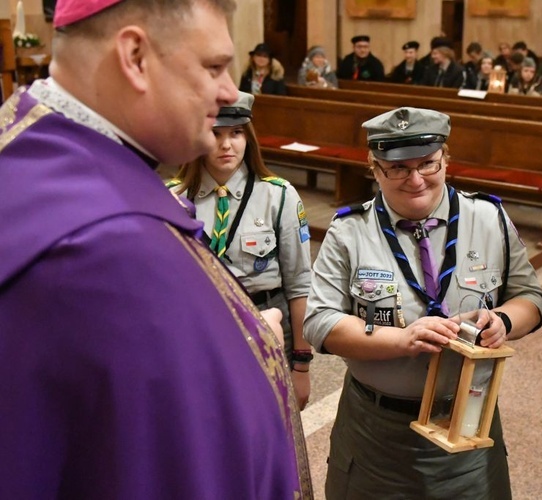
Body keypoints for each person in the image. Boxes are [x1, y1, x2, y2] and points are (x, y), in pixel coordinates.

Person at [0, 0, 312, 498]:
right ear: (135, 56)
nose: (230, 90)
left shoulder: (25, 150)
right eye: (213, 66)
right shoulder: (112, 247)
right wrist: (255, 341)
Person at [304, 107, 542, 498]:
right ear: (376, 169)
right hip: (377, 431)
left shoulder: (489, 218)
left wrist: (502, 319)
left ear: (445, 158)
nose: (416, 179)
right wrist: (401, 340)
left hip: (469, 422)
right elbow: (320, 323)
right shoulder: (349, 231)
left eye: (428, 164)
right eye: (397, 168)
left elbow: (531, 298)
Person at [166, 91, 313, 410]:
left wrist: (302, 363)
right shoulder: (172, 198)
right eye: (215, 134)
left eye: (236, 133)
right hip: (200, 330)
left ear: (249, 137)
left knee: (268, 422)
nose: (226, 145)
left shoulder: (279, 196)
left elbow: (300, 285)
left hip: (268, 325)